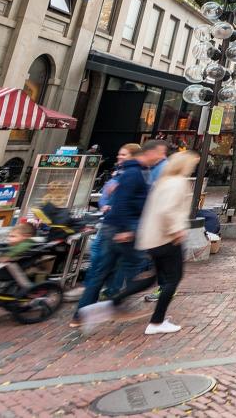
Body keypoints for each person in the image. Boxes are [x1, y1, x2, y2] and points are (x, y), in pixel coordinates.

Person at [79, 151, 199, 334]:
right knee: (172, 280)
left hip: (152, 238)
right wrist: (176, 231)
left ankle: (109, 304)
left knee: (151, 278)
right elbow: (167, 211)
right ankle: (156, 322)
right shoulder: (179, 183)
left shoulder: (162, 181)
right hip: (167, 238)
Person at [71, 139, 167, 329]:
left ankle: (83, 313)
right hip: (121, 229)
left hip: (115, 228)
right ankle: (113, 304)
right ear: (149, 153)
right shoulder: (134, 173)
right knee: (138, 270)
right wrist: (125, 230)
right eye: (160, 152)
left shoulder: (133, 172)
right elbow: (122, 202)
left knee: (103, 272)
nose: (163, 157)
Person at [90, 143, 141, 299]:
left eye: (124, 154)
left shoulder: (133, 174)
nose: (120, 157)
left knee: (114, 261)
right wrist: (103, 204)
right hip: (109, 222)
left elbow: (130, 201)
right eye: (120, 154)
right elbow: (106, 194)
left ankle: (112, 290)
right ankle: (100, 290)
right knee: (98, 256)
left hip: (119, 224)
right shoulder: (119, 172)